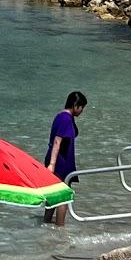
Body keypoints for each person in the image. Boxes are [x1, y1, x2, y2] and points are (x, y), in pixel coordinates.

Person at [44, 91, 87, 224]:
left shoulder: (61, 116)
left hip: (58, 159)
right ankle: (60, 228)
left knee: (53, 194)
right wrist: (52, 164)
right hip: (60, 162)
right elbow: (58, 141)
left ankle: (47, 223)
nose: (81, 111)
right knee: (64, 196)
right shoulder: (65, 119)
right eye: (81, 108)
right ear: (75, 105)